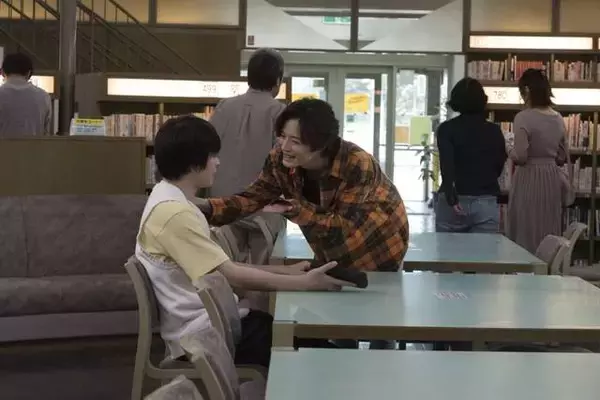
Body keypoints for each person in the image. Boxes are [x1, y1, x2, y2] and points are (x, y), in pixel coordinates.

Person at [135, 115, 352, 368]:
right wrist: (304, 283)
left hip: (214, 323)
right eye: (212, 156)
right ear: (194, 163)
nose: (218, 162)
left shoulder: (168, 200)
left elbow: (220, 266)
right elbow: (232, 275)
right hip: (209, 335)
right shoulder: (174, 213)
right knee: (327, 357)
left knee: (308, 340)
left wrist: (286, 271)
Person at [198, 98, 409, 273]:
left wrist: (294, 210)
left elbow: (342, 230)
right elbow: (252, 198)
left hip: (379, 249)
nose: (285, 147)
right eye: (282, 136)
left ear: (321, 145)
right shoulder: (279, 159)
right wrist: (204, 206)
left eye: (296, 141)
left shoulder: (356, 163)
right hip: (330, 255)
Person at [208, 48, 287, 265]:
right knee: (261, 270)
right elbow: (284, 161)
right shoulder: (280, 112)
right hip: (263, 207)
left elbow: (207, 146)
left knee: (225, 264)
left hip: (224, 203)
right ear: (277, 80)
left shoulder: (224, 106)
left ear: (248, 77)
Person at [507, 68, 568, 253]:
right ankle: (547, 263)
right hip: (551, 178)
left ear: (526, 91)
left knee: (526, 226)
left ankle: (524, 264)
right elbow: (562, 157)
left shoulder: (523, 118)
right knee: (548, 225)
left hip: (529, 177)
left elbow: (521, 156)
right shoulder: (558, 118)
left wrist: (507, 147)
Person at [435, 77, 507, 233]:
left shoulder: (446, 129)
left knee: (448, 249)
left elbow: (447, 167)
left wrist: (451, 197)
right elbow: (499, 166)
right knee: (485, 249)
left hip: (454, 201)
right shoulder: (494, 131)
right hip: (486, 200)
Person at [0, 53, 52, 136]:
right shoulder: (43, 97)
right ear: (28, 73)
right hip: (34, 144)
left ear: (2, 72)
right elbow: (46, 132)